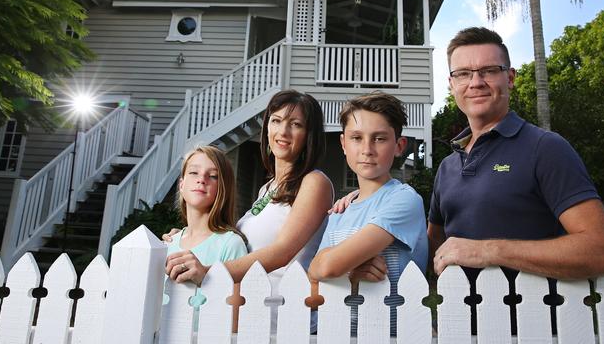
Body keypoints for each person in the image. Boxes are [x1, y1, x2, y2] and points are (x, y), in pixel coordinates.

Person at [429, 27, 604, 280]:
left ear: (511, 78)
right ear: (452, 85)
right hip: (457, 317)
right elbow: (432, 249)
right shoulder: (447, 166)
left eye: (490, 71)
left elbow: (602, 250)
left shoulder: (545, 148)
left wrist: (489, 250)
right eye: (463, 74)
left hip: (532, 316)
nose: (475, 82)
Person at [165, 90, 334, 330]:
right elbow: (234, 241)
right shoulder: (267, 188)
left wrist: (210, 272)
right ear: (267, 128)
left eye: (295, 124)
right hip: (251, 316)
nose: (283, 132)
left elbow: (282, 251)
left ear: (309, 135)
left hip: (285, 319)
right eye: (276, 121)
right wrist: (189, 236)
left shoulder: (314, 182)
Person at [309, 92, 427, 336]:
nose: (367, 149)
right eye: (356, 138)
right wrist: (350, 274)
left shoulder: (404, 200)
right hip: (336, 333)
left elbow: (328, 267)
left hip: (392, 334)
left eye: (379, 139)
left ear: (399, 146)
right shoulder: (341, 211)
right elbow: (314, 278)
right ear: (343, 144)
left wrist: (335, 266)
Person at [165, 146, 247, 301]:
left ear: (223, 189)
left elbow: (236, 311)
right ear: (181, 185)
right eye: (194, 172)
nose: (201, 179)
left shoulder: (231, 244)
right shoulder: (168, 243)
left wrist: (207, 279)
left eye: (213, 176)